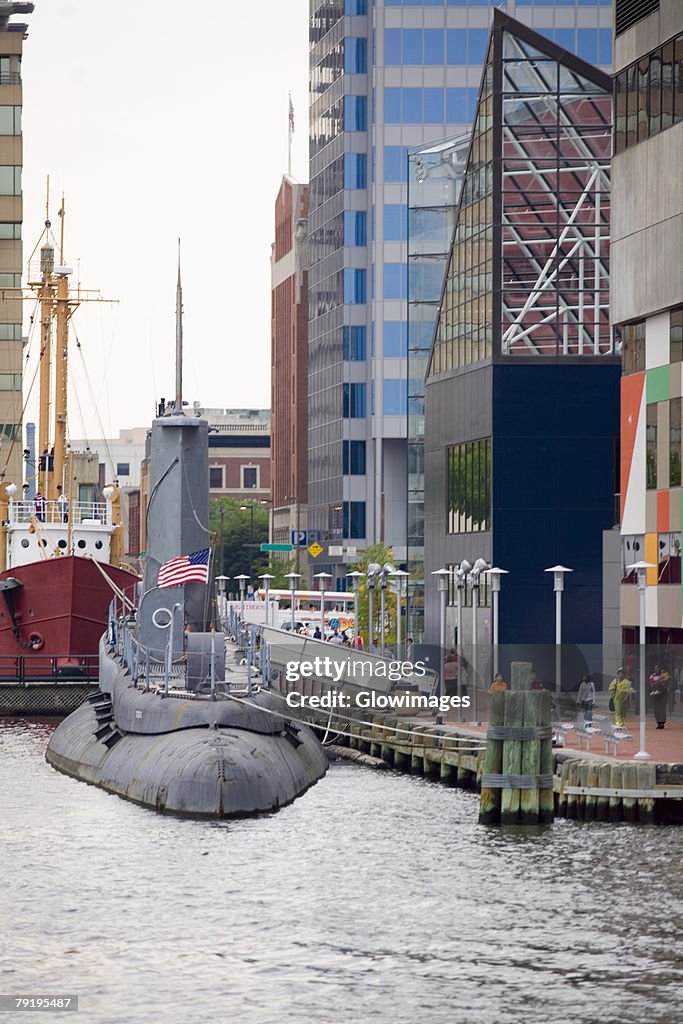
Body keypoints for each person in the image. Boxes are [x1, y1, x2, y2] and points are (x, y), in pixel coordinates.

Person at [648, 664, 670, 729]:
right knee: (656, 710)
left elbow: (667, 682)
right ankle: (658, 722)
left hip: (663, 694)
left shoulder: (664, 674)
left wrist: (661, 683)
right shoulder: (652, 676)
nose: (656, 669)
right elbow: (651, 684)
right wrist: (657, 683)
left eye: (657, 668)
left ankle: (662, 723)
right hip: (656, 695)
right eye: (655, 668)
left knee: (662, 709)